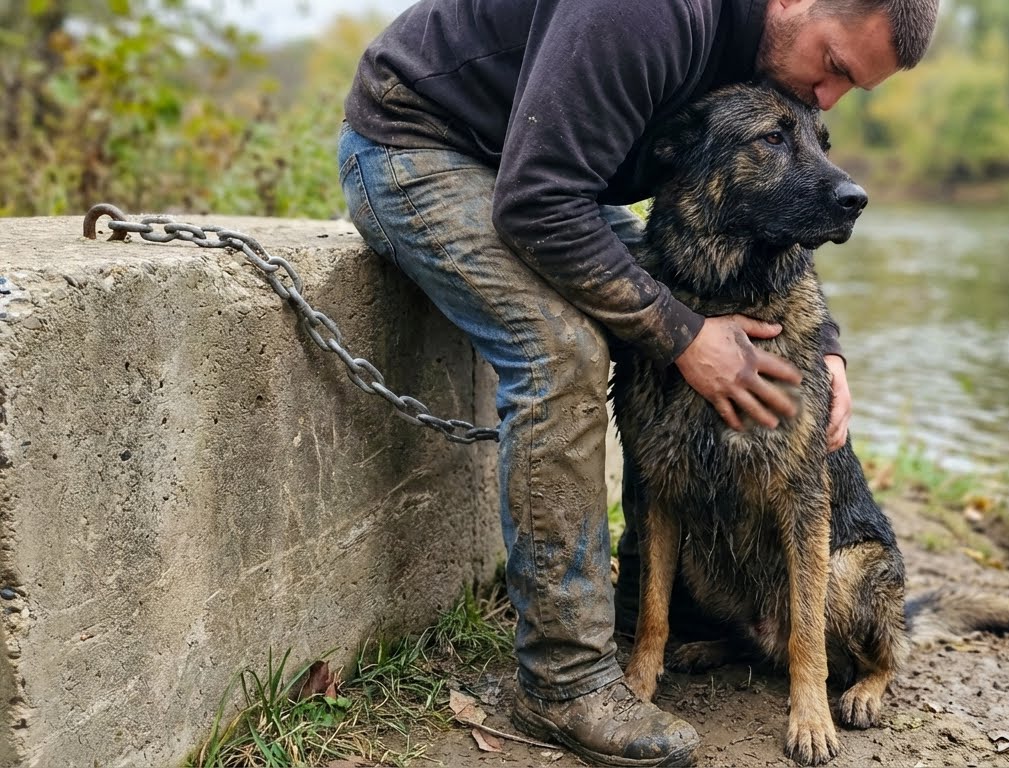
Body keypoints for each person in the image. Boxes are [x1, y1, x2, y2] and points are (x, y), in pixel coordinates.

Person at [337, 0, 937, 764]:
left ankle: (629, 598)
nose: (825, 98)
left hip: (539, 174)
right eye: (834, 67)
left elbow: (732, 230)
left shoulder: (761, 48)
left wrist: (822, 345)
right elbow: (537, 202)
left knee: (680, 304)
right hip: (423, 149)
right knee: (562, 350)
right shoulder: (642, 12)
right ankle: (560, 679)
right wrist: (685, 337)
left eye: (851, 90)